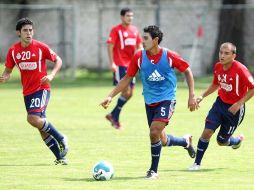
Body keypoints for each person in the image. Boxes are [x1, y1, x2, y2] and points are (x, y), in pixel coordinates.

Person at [101, 25, 198, 178]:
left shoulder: (169, 55)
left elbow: (187, 70)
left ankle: (153, 171)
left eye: (145, 38)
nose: (142, 40)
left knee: (153, 132)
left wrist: (191, 95)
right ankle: (185, 141)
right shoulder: (139, 57)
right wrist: (110, 96)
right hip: (149, 101)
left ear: (155, 40)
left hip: (167, 99)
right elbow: (127, 78)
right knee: (161, 138)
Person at [0, 18, 69, 165]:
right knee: (39, 125)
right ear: (18, 33)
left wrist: (51, 75)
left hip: (41, 89)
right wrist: (5, 77)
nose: (29, 33)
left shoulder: (40, 47)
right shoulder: (13, 51)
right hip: (27, 92)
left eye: (30, 30)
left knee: (32, 119)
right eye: (25, 30)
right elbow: (7, 70)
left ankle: (61, 137)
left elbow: (58, 60)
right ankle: (60, 157)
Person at [189, 42, 254, 171]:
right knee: (207, 132)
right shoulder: (218, 66)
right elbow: (215, 84)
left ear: (234, 56)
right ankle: (196, 164)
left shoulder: (240, 69)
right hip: (219, 104)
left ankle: (236, 141)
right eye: (221, 52)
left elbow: (252, 88)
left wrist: (239, 103)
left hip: (234, 110)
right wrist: (202, 96)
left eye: (226, 53)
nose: (222, 55)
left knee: (221, 141)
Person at [106, 7, 142, 129]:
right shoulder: (116, 30)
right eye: (128, 16)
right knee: (126, 91)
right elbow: (110, 46)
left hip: (132, 65)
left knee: (130, 93)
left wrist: (141, 55)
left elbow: (139, 45)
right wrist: (112, 63)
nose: (130, 18)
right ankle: (114, 117)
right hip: (120, 64)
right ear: (122, 17)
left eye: (131, 16)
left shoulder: (135, 30)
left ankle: (113, 115)